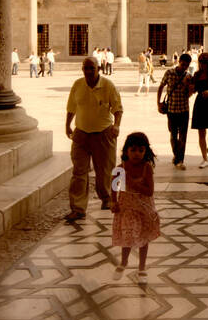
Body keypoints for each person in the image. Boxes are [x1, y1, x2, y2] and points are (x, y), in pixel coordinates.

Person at [64, 56, 122, 222]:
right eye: (85, 68)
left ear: (99, 69)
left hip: (103, 133)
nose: (88, 72)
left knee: (105, 171)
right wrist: (67, 125)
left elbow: (118, 108)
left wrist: (116, 125)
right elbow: (71, 107)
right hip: (81, 133)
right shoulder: (78, 85)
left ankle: (108, 199)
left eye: (92, 68)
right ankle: (78, 208)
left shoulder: (108, 85)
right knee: (79, 171)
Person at [111, 132, 160, 280]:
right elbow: (114, 186)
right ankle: (124, 261)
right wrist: (114, 201)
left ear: (146, 152)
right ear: (126, 151)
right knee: (127, 235)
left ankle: (142, 267)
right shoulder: (120, 168)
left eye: (140, 150)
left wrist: (132, 183)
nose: (136, 154)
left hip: (144, 209)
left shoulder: (147, 168)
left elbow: (149, 191)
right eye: (133, 150)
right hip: (127, 209)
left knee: (143, 238)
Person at [158, 53, 194, 168]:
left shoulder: (188, 76)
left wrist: (188, 86)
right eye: (183, 64)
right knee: (173, 135)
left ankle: (179, 160)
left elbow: (189, 94)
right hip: (171, 110)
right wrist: (158, 103)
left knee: (183, 136)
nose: (184, 67)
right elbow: (161, 86)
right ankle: (176, 155)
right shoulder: (169, 73)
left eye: (186, 65)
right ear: (179, 62)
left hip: (184, 110)